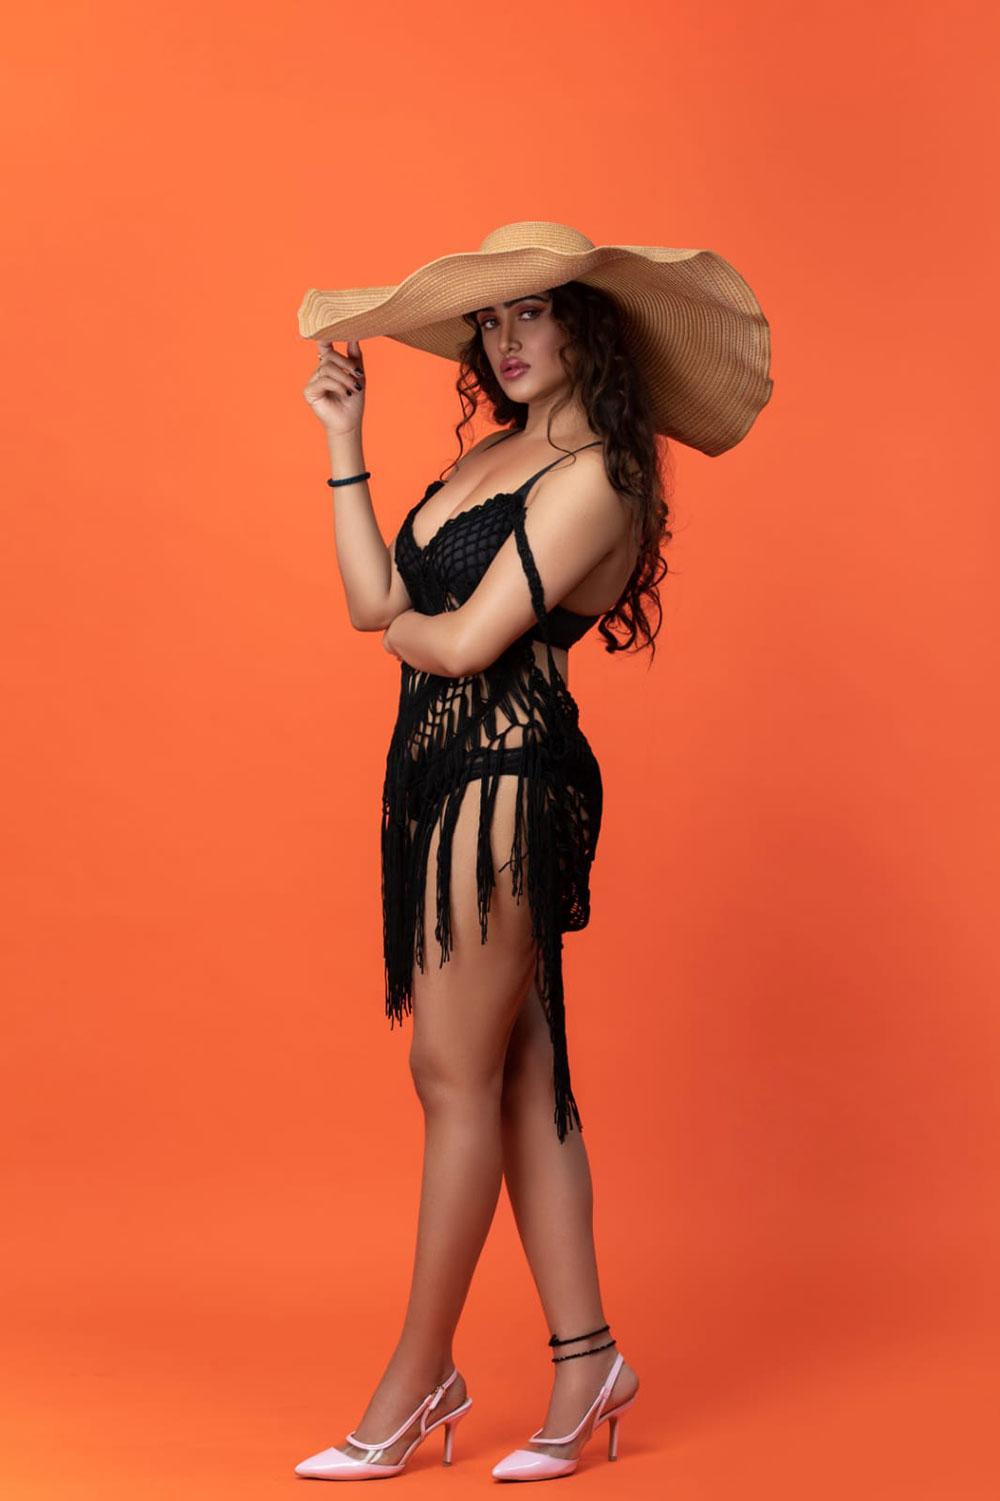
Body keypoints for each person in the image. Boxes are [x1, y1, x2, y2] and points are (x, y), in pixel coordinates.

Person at [292, 222, 773, 1482]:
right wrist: (343, 437)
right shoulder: (488, 457)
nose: (505, 339)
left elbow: (459, 645)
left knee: (449, 1072)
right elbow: (371, 601)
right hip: (435, 780)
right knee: (518, 1077)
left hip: (509, 779)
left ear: (586, 326)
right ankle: (588, 1359)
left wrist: (413, 630)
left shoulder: (599, 473)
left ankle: (418, 1377)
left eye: (532, 311)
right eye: (490, 319)